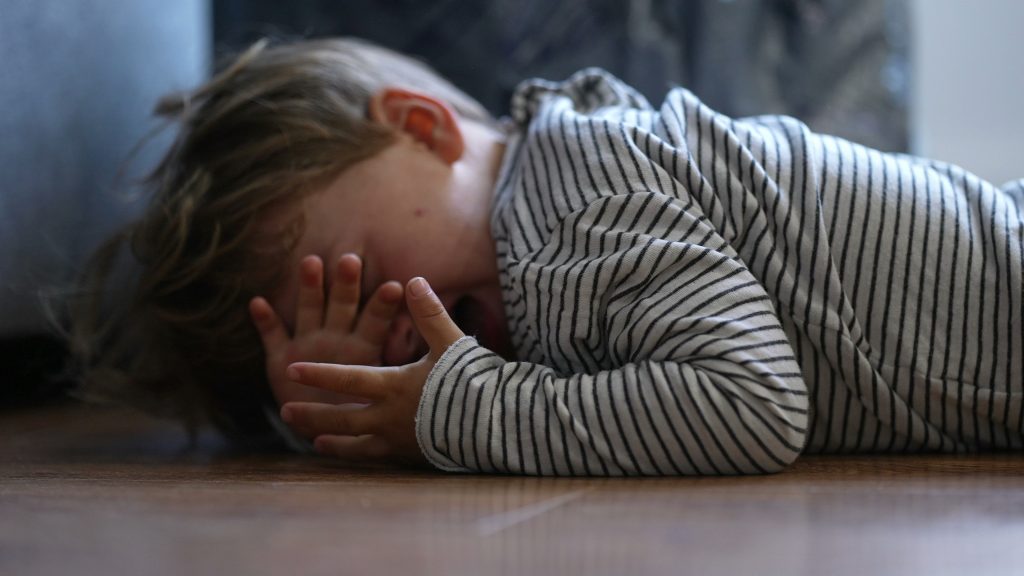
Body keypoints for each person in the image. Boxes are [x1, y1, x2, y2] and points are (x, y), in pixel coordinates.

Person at [72, 38, 1024, 475]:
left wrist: (453, 409)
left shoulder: (572, 191)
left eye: (354, 274)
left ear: (423, 129)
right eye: (343, 325)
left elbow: (751, 405)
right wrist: (339, 403)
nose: (388, 317)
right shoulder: (525, 271)